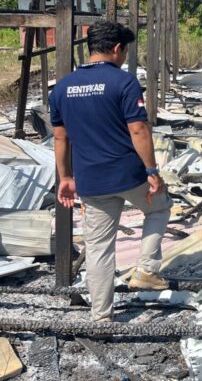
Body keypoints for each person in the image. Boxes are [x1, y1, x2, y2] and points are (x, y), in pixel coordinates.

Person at [50, 20, 171, 322]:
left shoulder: (62, 88)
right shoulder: (123, 82)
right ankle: (146, 269)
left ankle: (101, 316)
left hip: (91, 180)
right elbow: (139, 129)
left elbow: (60, 137)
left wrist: (65, 178)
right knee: (159, 207)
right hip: (128, 174)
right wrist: (152, 170)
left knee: (99, 247)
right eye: (125, 51)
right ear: (118, 49)